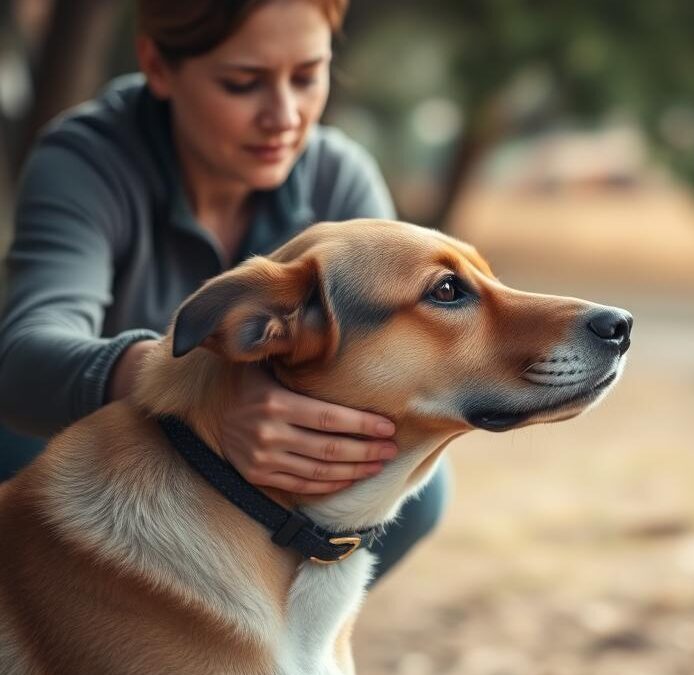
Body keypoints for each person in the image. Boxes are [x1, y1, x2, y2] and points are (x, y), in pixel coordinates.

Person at [0, 0, 448, 580]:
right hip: (85, 456)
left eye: (308, 76)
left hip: (256, 491)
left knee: (418, 491)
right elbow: (23, 358)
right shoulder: (86, 160)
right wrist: (201, 393)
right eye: (243, 83)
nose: (285, 115)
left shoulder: (339, 178)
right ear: (158, 66)